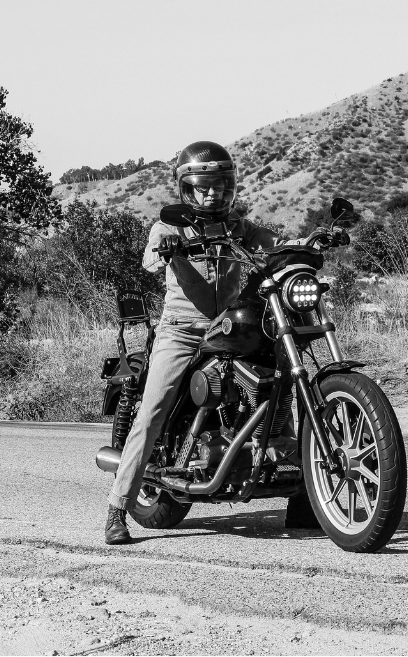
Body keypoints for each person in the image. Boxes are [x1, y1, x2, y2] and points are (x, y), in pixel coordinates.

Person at [105, 140, 276, 545]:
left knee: (279, 384)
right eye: (204, 185)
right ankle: (117, 507)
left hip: (230, 327)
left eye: (220, 184)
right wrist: (168, 250)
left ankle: (305, 497)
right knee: (152, 412)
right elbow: (149, 258)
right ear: (187, 188)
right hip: (182, 330)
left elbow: (271, 242)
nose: (213, 192)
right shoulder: (168, 225)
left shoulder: (240, 228)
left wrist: (302, 245)